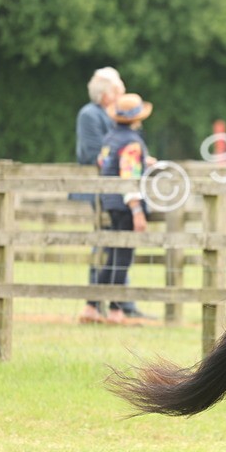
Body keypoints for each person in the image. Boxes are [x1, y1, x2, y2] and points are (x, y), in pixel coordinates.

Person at [94, 93, 154, 325]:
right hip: (126, 204)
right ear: (137, 118)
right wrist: (137, 211)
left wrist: (144, 161)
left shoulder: (110, 138)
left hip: (110, 201)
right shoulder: (132, 142)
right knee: (123, 257)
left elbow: (103, 163)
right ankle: (115, 309)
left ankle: (92, 305)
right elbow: (129, 176)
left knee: (113, 254)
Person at [76, 67, 124, 323]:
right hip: (101, 190)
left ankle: (118, 301)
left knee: (117, 243)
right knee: (105, 243)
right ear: (105, 94)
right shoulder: (89, 115)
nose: (121, 94)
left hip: (115, 189)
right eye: (117, 90)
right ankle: (97, 302)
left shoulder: (113, 115)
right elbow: (95, 153)